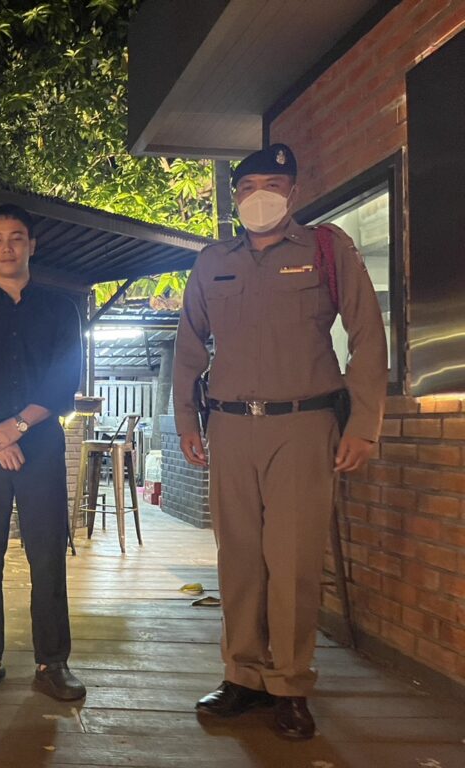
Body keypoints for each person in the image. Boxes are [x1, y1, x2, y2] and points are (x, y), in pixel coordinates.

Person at [173, 144, 387, 740]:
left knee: (292, 559)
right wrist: (187, 421)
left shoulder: (327, 249)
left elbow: (367, 334)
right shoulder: (212, 261)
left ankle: (290, 684)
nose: (259, 195)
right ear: (235, 197)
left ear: (293, 192)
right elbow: (189, 347)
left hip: (303, 425)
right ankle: (242, 675)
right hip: (230, 425)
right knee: (238, 556)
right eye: (248, 187)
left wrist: (363, 423)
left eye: (273, 183)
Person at [0, 203, 85, 701]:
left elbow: (64, 379)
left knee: (46, 551)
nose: (7, 247)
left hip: (41, 444)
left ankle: (53, 662)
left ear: (32, 246)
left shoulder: (61, 310)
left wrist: (17, 427)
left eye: (17, 238)